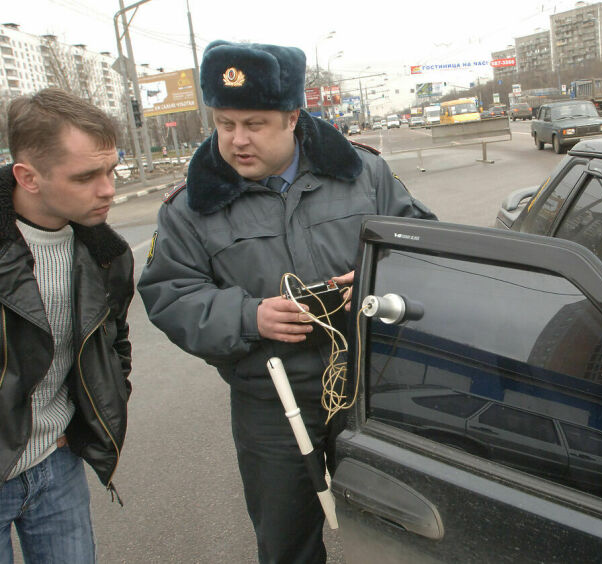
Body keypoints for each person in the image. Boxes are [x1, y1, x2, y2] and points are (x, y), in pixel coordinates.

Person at [137, 41, 435, 563]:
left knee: (401, 534)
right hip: (272, 404)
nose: (236, 140)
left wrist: (371, 281)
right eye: (224, 123)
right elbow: (169, 294)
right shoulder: (189, 208)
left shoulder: (363, 175)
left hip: (373, 389)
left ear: (292, 117)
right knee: (286, 541)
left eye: (254, 123)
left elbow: (424, 247)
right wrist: (248, 316)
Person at [0, 88, 135, 563]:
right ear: (28, 177)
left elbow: (115, 347)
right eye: (86, 176)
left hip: (56, 466)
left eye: (111, 170)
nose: (108, 189)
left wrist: (78, 426)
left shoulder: (107, 255)